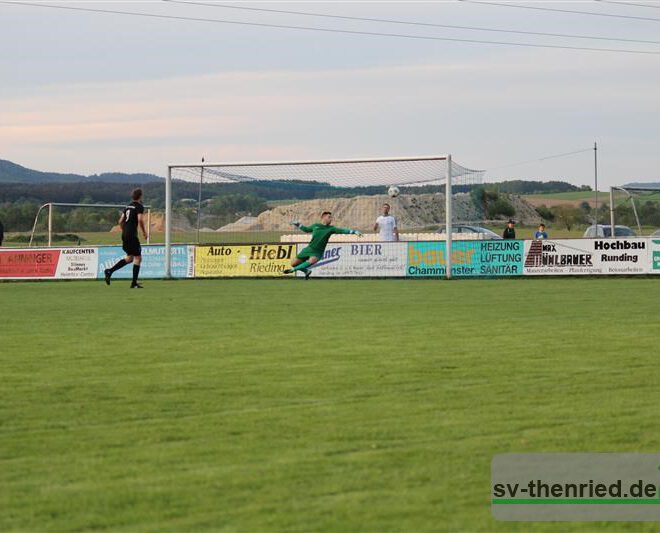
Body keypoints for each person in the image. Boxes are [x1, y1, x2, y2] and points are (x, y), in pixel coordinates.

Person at [284, 211, 362, 278]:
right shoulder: (316, 226)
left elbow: (343, 230)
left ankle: (293, 270)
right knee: (293, 263)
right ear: (323, 217)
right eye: (329, 217)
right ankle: (306, 271)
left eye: (331, 217)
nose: (331, 219)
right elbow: (306, 230)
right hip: (309, 249)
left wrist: (353, 232)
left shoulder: (331, 228)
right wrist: (298, 225)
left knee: (311, 261)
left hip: (318, 252)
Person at [104, 188, 148, 288]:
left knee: (130, 258)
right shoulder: (139, 206)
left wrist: (125, 230)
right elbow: (140, 219)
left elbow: (120, 221)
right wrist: (144, 232)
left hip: (125, 234)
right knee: (138, 257)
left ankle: (109, 271)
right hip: (132, 235)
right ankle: (134, 283)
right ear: (140, 196)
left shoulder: (128, 206)